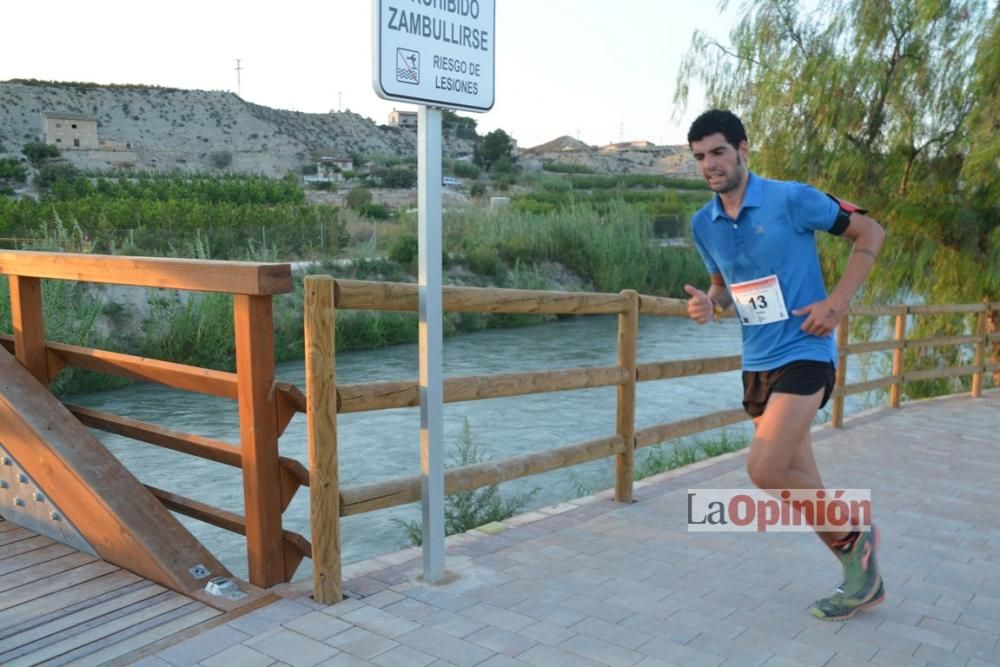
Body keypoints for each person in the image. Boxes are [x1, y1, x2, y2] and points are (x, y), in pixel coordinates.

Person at [683, 109, 886, 621]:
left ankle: (857, 538)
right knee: (801, 479)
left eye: (718, 152)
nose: (710, 164)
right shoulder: (702, 224)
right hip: (757, 364)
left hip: (805, 351)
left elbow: (870, 234)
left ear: (743, 149)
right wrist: (711, 304)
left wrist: (836, 302)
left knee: (766, 467)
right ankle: (861, 576)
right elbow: (723, 287)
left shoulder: (791, 198)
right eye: (700, 157)